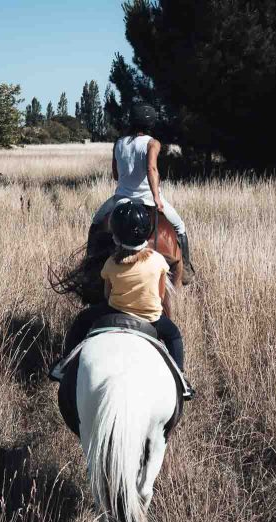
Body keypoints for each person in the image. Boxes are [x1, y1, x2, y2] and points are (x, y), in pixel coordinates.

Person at [63, 201, 185, 370]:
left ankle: (64, 367)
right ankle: (181, 376)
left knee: (80, 321)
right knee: (174, 337)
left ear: (115, 237)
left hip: (114, 311)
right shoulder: (158, 260)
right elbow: (161, 296)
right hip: (152, 318)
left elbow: (107, 295)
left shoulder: (111, 262)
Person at [90, 103, 193, 271]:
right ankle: (186, 268)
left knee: (96, 222)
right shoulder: (152, 143)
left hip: (121, 199)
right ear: (151, 124)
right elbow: (151, 169)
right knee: (180, 227)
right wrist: (157, 198)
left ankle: (90, 265)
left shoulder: (119, 143)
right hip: (148, 199)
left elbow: (116, 175)